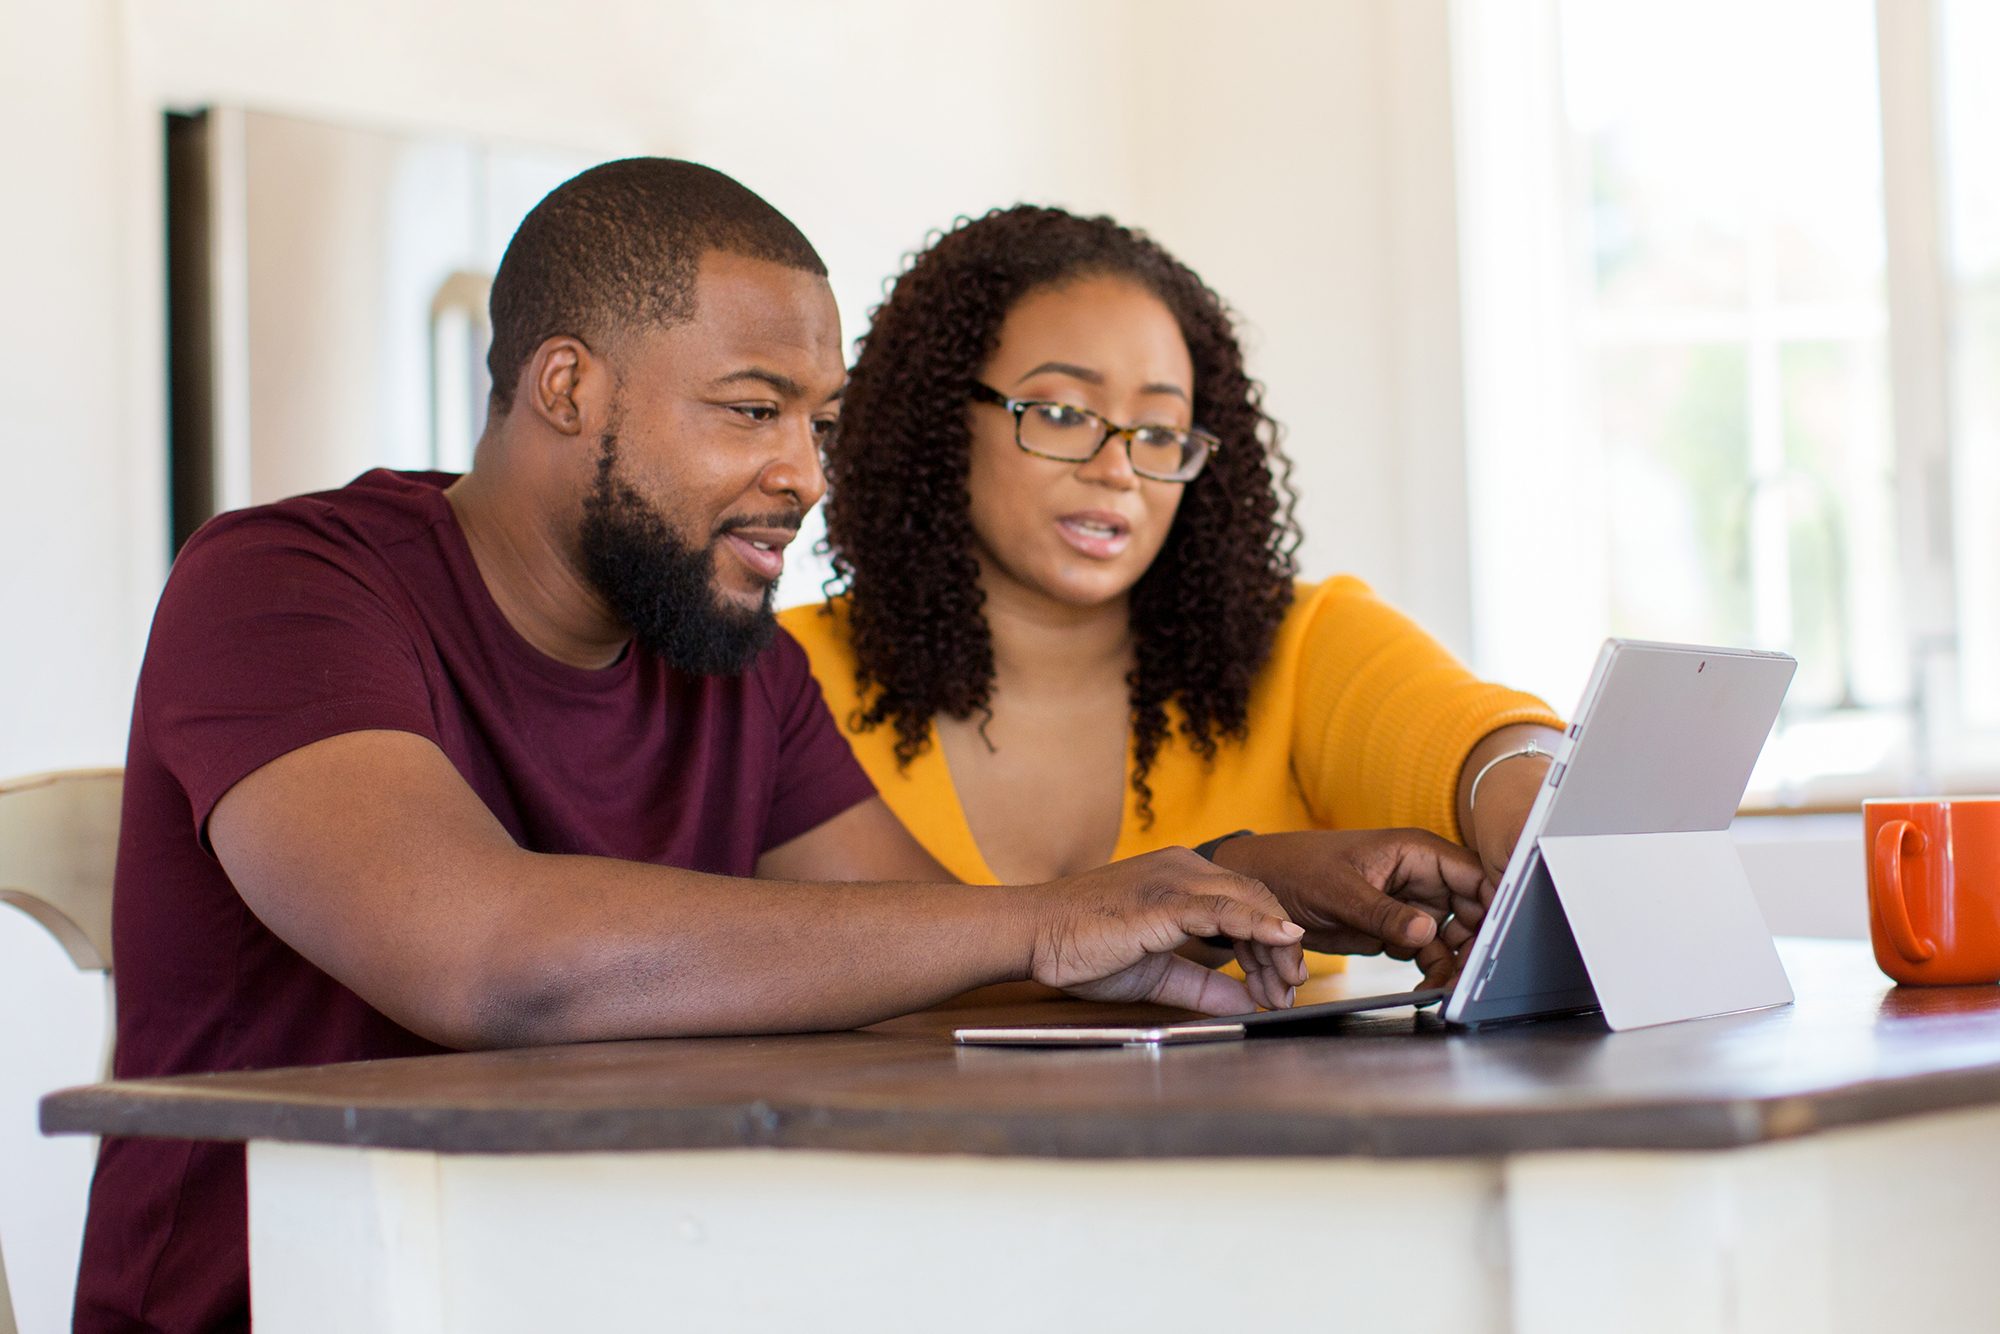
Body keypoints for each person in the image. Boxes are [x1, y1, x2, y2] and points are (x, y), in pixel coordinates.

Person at [77, 161, 1484, 1333]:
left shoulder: (727, 652)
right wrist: (1046, 919)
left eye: (817, 421)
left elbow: (927, 960)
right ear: (567, 388)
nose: (807, 475)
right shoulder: (283, 586)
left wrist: (1234, 889)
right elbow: (487, 957)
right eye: (752, 409)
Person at [782, 205, 1564, 977]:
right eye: (1059, 413)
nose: (1116, 468)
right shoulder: (780, 675)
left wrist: (1523, 789)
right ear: (937, 417)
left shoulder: (1291, 644)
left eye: (1159, 432)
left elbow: (1476, 739)